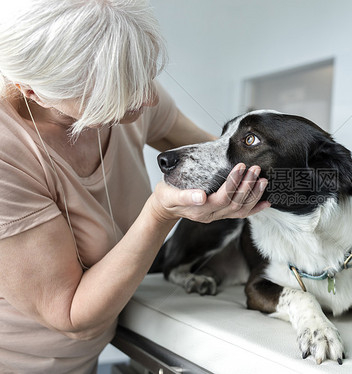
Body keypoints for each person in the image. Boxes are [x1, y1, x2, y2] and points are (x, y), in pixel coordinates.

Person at [0, 1, 270, 372]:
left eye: (145, 77)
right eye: (119, 93)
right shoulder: (7, 154)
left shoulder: (132, 89)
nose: (150, 99)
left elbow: (227, 162)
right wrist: (160, 214)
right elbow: (71, 315)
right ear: (33, 92)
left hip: (86, 359)